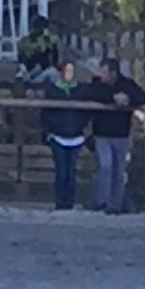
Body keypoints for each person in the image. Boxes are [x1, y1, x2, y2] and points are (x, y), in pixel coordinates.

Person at [89, 57, 145, 214]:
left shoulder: (126, 84)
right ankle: (102, 201)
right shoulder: (96, 84)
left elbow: (143, 97)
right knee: (105, 166)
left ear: (113, 73)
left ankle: (115, 205)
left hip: (121, 135)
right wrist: (113, 97)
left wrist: (128, 99)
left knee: (119, 171)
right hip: (102, 134)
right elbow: (91, 93)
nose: (100, 74)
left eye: (104, 71)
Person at [43, 58, 92, 208]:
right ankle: (60, 201)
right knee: (61, 171)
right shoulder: (52, 90)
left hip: (76, 136)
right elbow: (46, 113)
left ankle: (69, 201)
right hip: (58, 136)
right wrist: (53, 127)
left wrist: (80, 125)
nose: (69, 74)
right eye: (66, 70)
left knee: (71, 172)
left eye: (71, 71)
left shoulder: (80, 90)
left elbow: (86, 112)